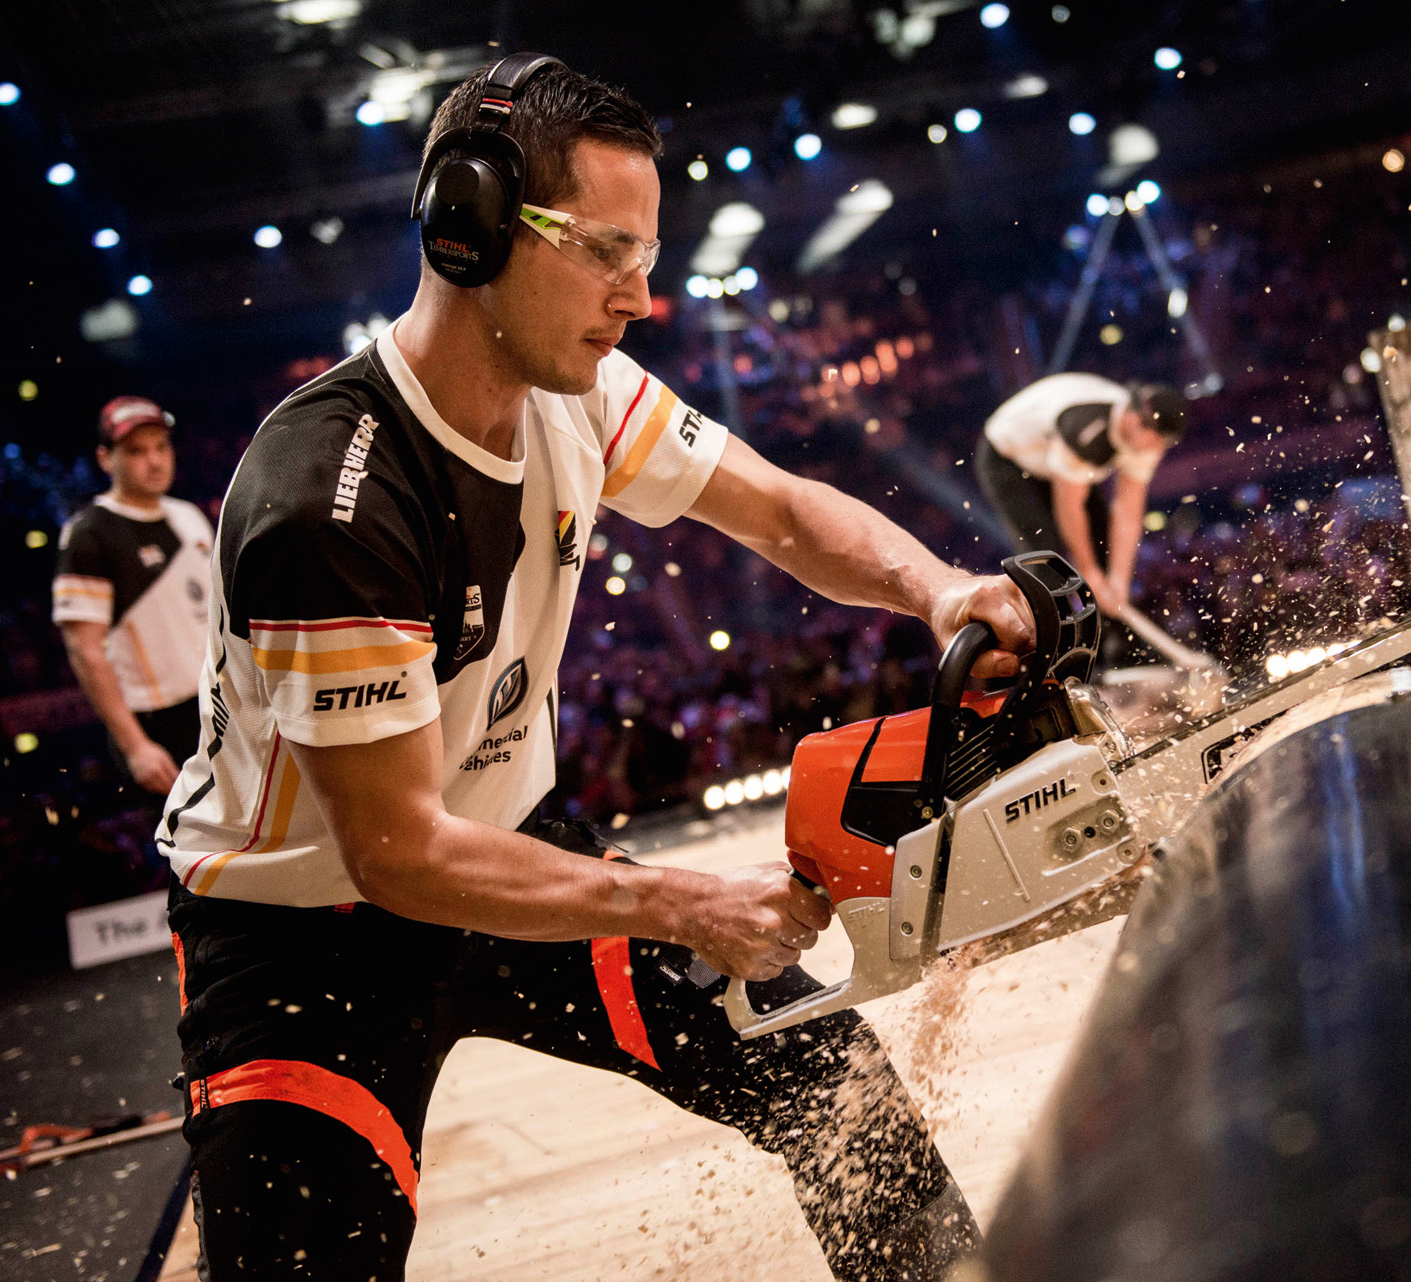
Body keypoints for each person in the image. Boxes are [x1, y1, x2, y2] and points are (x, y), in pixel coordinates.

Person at [156, 56, 1033, 1282]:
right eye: (605, 251)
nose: (639, 295)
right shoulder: (330, 500)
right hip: (306, 941)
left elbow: (779, 512)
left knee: (825, 1065)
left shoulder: (580, 384)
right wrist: (686, 902)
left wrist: (939, 587)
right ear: (467, 228)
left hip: (512, 851)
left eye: (648, 257)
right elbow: (399, 854)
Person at [53, 396, 212, 796]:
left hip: (215, 701)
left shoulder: (188, 516)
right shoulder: (89, 533)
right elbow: (84, 650)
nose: (155, 461)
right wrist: (135, 745)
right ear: (106, 459)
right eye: (137, 451)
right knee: (192, 853)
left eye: (161, 446)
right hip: (157, 720)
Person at [974, 373, 1186, 625]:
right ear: (1135, 419)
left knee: (1103, 542)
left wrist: (1118, 580)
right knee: (1046, 555)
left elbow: (1127, 512)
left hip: (1054, 463)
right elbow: (1070, 509)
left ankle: (1115, 645)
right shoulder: (1085, 428)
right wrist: (1091, 574)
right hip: (1007, 459)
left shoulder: (1148, 440)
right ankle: (1051, 641)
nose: (1155, 452)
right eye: (1156, 443)